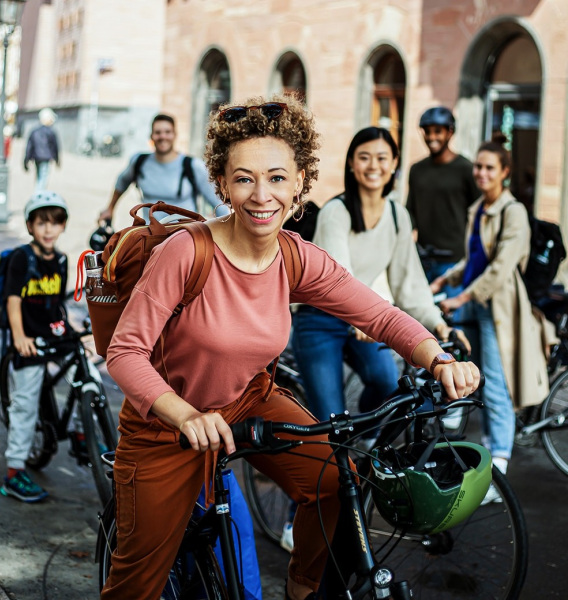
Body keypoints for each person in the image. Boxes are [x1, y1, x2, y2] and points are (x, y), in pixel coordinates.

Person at [100, 94, 480, 600]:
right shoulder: (185, 252)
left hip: (249, 399)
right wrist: (186, 416)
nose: (262, 195)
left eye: (277, 178)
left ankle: (302, 591)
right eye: (244, 178)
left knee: (333, 478)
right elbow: (124, 353)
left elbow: (378, 314)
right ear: (223, 185)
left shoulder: (296, 258)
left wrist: (438, 356)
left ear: (300, 182)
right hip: (165, 425)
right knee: (136, 585)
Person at [291, 126, 470, 424]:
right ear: (351, 163)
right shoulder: (336, 212)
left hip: (363, 319)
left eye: (382, 158)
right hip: (320, 319)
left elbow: (410, 285)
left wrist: (439, 326)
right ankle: (339, 449)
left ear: (395, 163)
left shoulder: (398, 216)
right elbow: (340, 278)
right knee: (333, 422)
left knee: (389, 386)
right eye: (364, 157)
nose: (373, 166)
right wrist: (362, 315)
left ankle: (367, 440)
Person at [431, 135, 550, 500]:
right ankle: (464, 430)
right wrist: (446, 278)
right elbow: (474, 258)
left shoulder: (512, 212)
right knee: (466, 368)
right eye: (478, 166)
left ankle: (498, 468)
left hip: (497, 308)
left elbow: (500, 268)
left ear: (505, 174)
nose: (480, 173)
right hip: (474, 302)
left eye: (488, 168)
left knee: (497, 386)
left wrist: (462, 295)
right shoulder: (480, 207)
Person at [0, 191, 70, 503]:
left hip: (51, 333)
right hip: (27, 338)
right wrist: (19, 337)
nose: (48, 230)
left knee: (88, 368)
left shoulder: (62, 260)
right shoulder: (21, 258)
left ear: (63, 227)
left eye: (54, 223)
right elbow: (13, 299)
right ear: (30, 226)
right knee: (26, 404)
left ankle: (83, 434)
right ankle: (14, 472)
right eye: (41, 223)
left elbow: (56, 304)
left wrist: (73, 331)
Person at [99, 113, 227, 223]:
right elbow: (121, 182)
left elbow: (218, 205)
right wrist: (110, 208)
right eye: (158, 133)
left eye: (167, 132)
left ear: (174, 135)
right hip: (150, 238)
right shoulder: (139, 162)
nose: (162, 137)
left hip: (185, 238)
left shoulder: (192, 166)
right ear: (151, 136)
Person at [406, 106, 480, 294]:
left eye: (437, 131)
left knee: (452, 319)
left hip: (454, 262)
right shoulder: (417, 170)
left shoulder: (466, 169)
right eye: (427, 132)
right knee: (419, 320)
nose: (431, 137)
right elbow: (410, 212)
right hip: (422, 260)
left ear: (450, 132)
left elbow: (479, 215)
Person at [24, 108, 60, 190]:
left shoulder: (34, 131)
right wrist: (57, 160)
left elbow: (29, 147)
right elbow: (55, 147)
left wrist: (26, 160)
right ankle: (39, 195)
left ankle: (38, 193)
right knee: (43, 177)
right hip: (46, 158)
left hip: (36, 157)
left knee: (39, 176)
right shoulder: (51, 132)